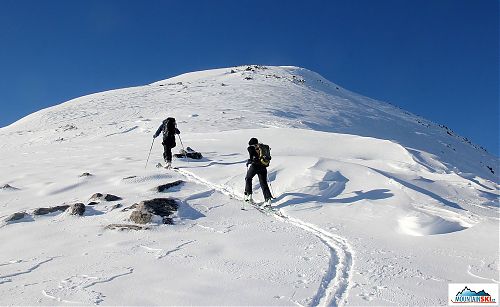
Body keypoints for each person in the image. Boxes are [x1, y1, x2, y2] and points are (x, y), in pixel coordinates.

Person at [244, 137, 273, 207]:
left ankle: (249, 195)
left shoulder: (250, 148)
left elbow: (252, 157)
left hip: (255, 166)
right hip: (263, 167)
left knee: (248, 178)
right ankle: (268, 199)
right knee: (263, 183)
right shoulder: (262, 147)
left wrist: (249, 161)